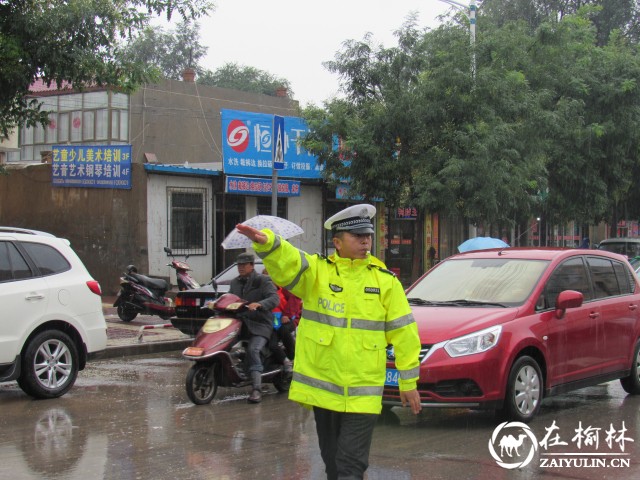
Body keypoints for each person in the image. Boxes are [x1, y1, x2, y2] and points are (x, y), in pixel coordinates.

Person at [235, 204, 422, 479]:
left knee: (350, 467)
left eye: (367, 236)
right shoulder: (318, 273)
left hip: (363, 395)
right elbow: (291, 263)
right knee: (333, 466)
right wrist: (271, 245)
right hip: (324, 392)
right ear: (337, 242)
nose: (365, 241)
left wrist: (408, 382)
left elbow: (404, 333)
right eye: (357, 236)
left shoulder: (385, 281)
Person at [229, 252, 280, 404]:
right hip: (240, 323)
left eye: (244, 265)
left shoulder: (262, 280)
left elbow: (274, 298)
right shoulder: (234, 283)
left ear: (252, 265)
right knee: (224, 344)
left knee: (253, 350)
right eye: (239, 265)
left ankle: (256, 388)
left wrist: (260, 304)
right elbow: (230, 298)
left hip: (260, 324)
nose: (241, 268)